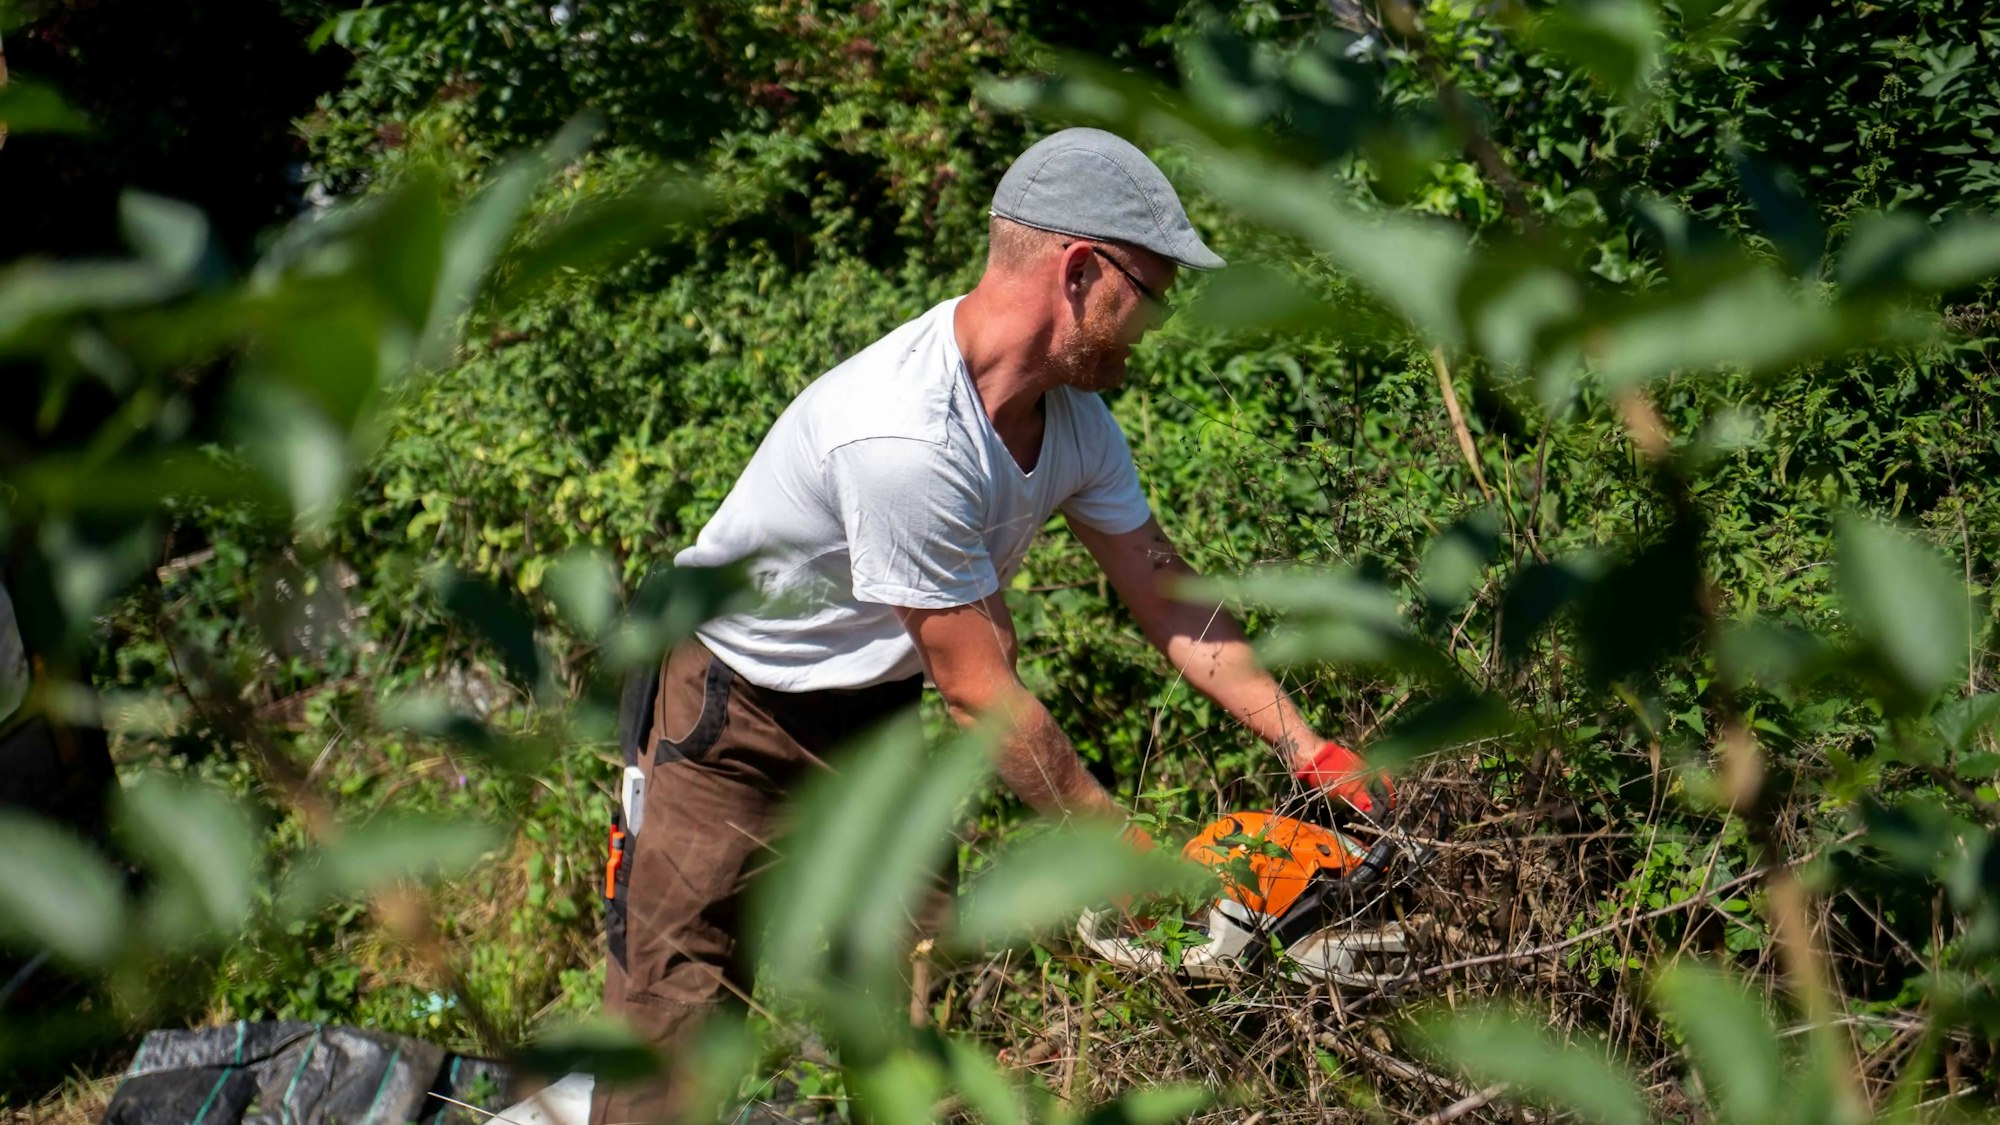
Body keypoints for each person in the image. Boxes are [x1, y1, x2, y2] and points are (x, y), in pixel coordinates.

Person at [592, 127, 1391, 1125]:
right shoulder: (901, 436)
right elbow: (977, 692)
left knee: (910, 993)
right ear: (1081, 270)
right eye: (1151, 291)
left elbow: (1166, 594)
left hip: (872, 703)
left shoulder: (1076, 426)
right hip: (727, 708)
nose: (1156, 320)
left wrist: (1306, 745)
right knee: (677, 1015)